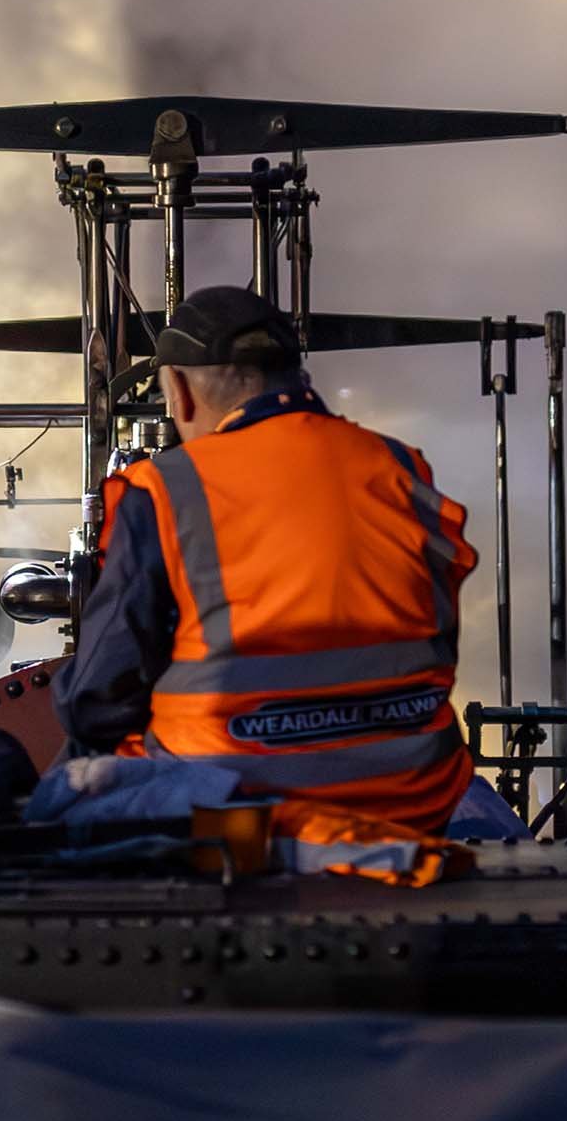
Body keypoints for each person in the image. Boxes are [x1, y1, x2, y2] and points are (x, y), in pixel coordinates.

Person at [54, 283, 477, 841]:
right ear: (297, 377)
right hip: (409, 802)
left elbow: (99, 699)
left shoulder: (168, 487)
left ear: (179, 392)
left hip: (236, 816)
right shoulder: (400, 466)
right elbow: (438, 637)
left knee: (63, 789)